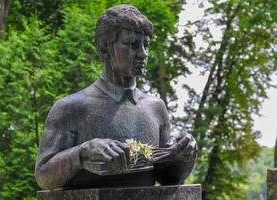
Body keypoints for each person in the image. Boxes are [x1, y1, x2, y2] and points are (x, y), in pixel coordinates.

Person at [35, 4, 197, 190]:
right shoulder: (71, 108)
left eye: (146, 45)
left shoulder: (155, 107)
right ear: (104, 49)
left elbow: (169, 178)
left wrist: (185, 155)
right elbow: (43, 176)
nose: (143, 54)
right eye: (132, 44)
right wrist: (80, 154)